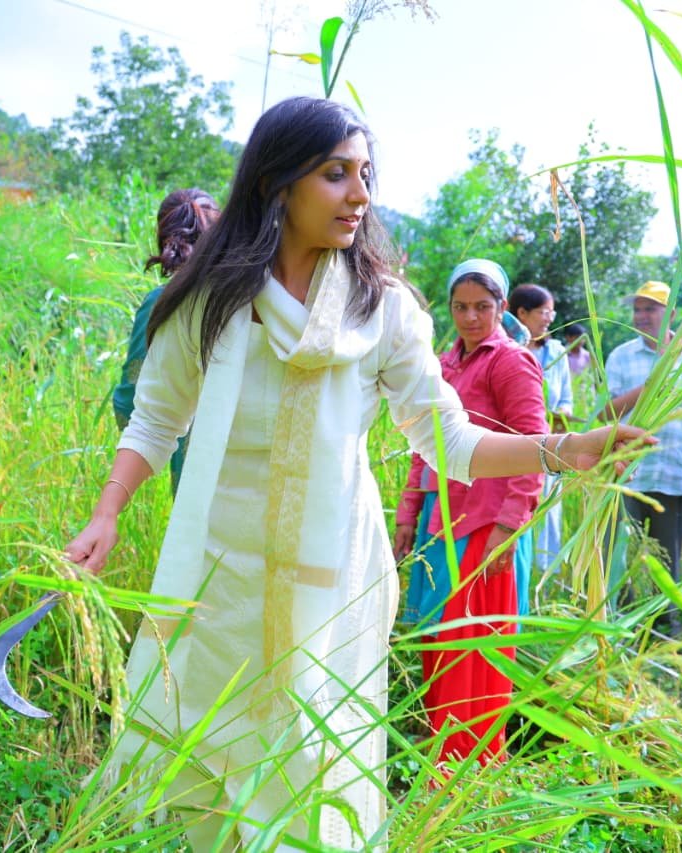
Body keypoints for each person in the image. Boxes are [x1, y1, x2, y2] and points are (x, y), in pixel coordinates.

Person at [64, 96, 646, 850]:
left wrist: (565, 449)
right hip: (220, 577)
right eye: (336, 173)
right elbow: (155, 420)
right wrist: (107, 513)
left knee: (310, 769)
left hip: (332, 584)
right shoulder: (209, 302)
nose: (360, 194)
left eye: (365, 174)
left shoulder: (384, 312)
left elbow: (451, 442)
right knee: (209, 760)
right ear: (277, 182)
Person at [393, 258, 546, 766]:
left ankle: (470, 760)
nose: (471, 317)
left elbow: (535, 446)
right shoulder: (443, 363)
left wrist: (509, 525)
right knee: (436, 638)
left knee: (472, 646)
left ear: (502, 308)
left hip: (486, 523)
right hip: (440, 522)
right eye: (460, 307)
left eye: (482, 306)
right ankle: (440, 749)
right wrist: (408, 515)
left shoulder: (511, 362)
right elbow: (424, 447)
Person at [603, 281, 682, 617]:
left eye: (650, 309)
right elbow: (606, 414)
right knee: (621, 552)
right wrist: (648, 387)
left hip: (675, 470)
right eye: (637, 309)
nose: (641, 316)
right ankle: (621, 623)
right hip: (628, 471)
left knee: (668, 557)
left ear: (670, 314)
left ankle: (664, 627)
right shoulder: (621, 356)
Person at [112, 188, 220, 492]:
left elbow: (130, 400)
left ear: (164, 237)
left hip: (195, 475)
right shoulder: (258, 294)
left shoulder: (164, 302)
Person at [510, 284, 575, 578]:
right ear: (522, 313)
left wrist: (562, 414)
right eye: (544, 312)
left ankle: (545, 575)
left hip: (548, 446)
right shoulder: (508, 350)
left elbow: (566, 399)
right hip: (511, 446)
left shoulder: (557, 352)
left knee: (547, 510)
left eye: (552, 313)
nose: (549, 318)